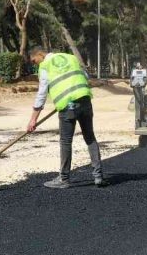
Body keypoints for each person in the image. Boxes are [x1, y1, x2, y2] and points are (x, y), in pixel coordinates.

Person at [26, 47, 103, 189]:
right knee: (90, 137)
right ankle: (98, 176)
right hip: (85, 100)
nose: (34, 64)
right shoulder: (70, 57)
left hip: (67, 106)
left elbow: (42, 93)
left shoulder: (45, 66)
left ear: (40, 54)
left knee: (66, 142)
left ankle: (64, 179)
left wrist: (33, 119)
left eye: (34, 61)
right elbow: (84, 76)